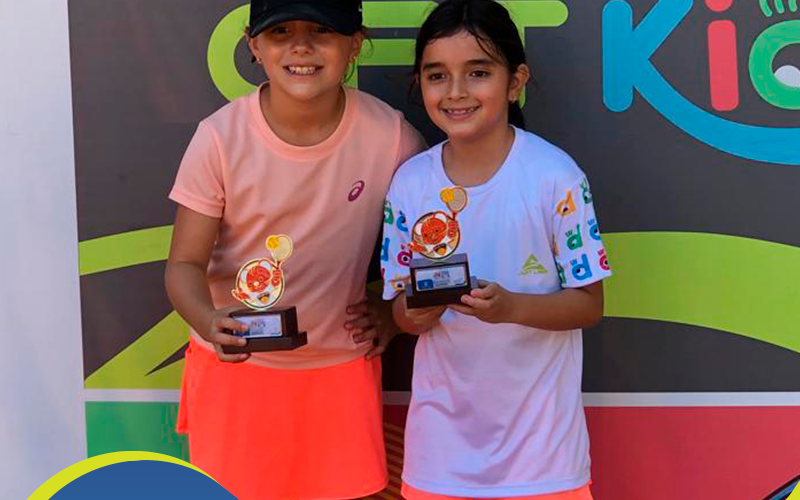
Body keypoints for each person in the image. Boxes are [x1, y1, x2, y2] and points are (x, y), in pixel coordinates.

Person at [164, 0, 425, 498]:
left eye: (321, 30)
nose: (301, 47)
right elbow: (184, 264)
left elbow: (428, 254)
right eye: (280, 31)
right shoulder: (218, 138)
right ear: (253, 45)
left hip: (340, 374)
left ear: (355, 44)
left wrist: (390, 313)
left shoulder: (392, 137)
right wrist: (208, 320)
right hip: (237, 372)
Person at [381, 1, 611, 499]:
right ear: (420, 83)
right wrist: (416, 313)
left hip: (544, 459)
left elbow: (589, 305)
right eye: (437, 75)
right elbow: (399, 311)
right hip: (438, 458)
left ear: (515, 81)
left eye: (478, 72)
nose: (456, 92)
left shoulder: (555, 177)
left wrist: (510, 307)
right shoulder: (410, 182)